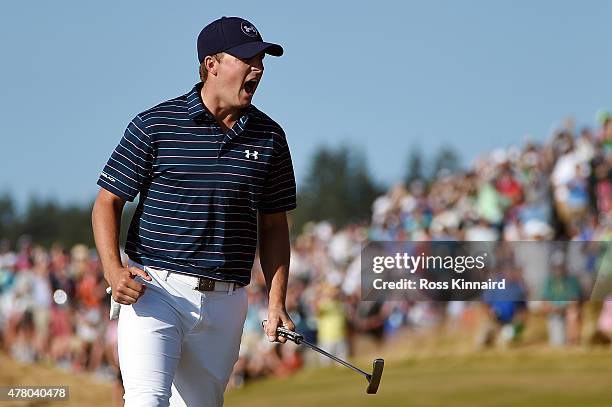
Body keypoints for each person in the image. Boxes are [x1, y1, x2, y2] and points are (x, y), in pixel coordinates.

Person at [91, 16, 296, 407]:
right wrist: (113, 270)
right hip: (154, 290)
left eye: (261, 60)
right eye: (248, 59)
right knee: (146, 399)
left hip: (227, 301)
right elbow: (107, 202)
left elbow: (274, 226)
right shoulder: (155, 125)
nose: (259, 68)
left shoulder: (270, 137)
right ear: (211, 65)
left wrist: (276, 301)